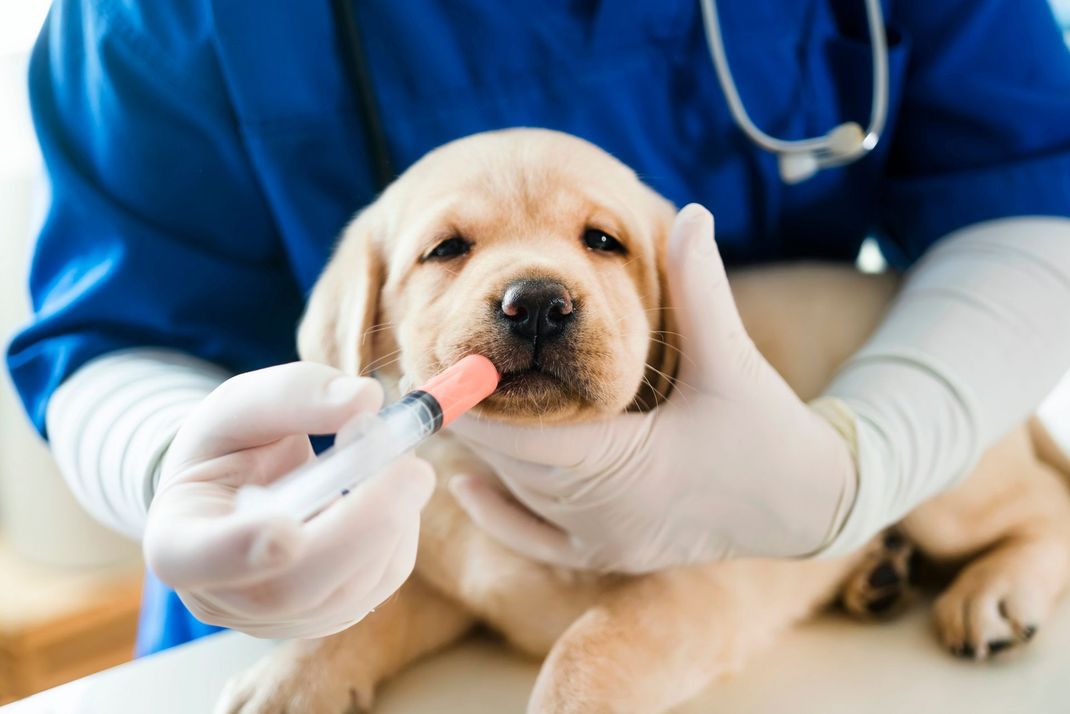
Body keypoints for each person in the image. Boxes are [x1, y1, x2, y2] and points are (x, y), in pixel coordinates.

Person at [8, 0, 1070, 654]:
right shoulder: (143, 18)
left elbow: (1029, 189)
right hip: (303, 562)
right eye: (451, 250)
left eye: (601, 244)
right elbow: (107, 330)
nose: (531, 294)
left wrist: (862, 458)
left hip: (801, 546)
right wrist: (167, 471)